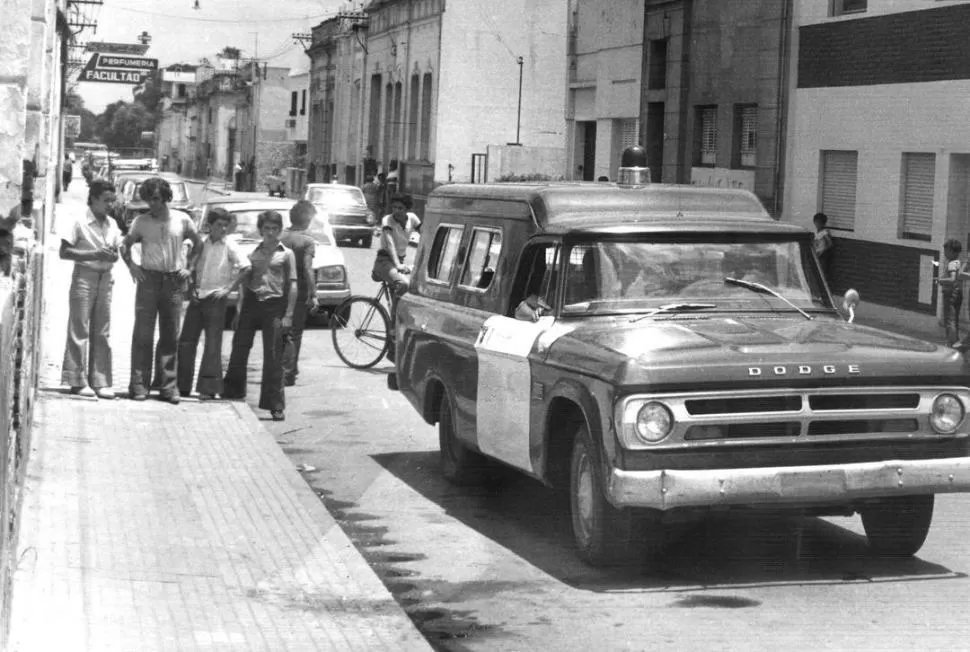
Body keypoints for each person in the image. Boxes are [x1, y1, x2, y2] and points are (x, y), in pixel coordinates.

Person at [120, 176, 202, 404]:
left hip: (174, 281)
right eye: (148, 200)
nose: (152, 204)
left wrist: (190, 268)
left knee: (170, 335)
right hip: (149, 280)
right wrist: (132, 266)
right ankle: (138, 385)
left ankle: (168, 386)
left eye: (156, 199)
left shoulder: (182, 220)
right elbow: (125, 244)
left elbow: (198, 243)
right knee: (143, 334)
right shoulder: (141, 222)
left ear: (166, 197)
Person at [223, 210, 297, 421]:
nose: (271, 233)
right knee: (239, 348)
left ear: (280, 230)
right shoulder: (253, 253)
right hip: (251, 304)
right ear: (261, 230)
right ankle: (233, 391)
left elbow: (292, 285)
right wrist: (238, 310)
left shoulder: (286, 254)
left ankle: (275, 405)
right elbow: (245, 284)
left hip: (274, 307)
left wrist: (289, 314)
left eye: (275, 229)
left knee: (274, 356)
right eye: (267, 229)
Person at [59, 179, 122, 399]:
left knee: (102, 331)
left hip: (106, 279)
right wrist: (95, 255)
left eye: (112, 201)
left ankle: (101, 381)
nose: (110, 205)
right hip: (84, 277)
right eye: (106, 201)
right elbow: (65, 252)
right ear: (93, 199)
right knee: (80, 328)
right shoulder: (79, 221)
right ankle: (76, 380)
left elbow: (115, 251)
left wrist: (112, 256)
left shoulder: (112, 224)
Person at [176, 207, 245, 400]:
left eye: (225, 225)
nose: (222, 229)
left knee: (213, 344)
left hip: (216, 298)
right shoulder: (200, 244)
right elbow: (190, 267)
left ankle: (208, 387)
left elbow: (245, 267)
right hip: (198, 298)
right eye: (219, 225)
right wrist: (191, 290)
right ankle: (182, 386)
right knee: (187, 341)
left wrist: (228, 289)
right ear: (209, 226)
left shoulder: (230, 245)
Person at [280, 200, 318, 387]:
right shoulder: (307, 241)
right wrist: (314, 294)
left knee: (280, 330)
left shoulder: (280, 236)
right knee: (295, 333)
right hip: (299, 289)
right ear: (308, 219)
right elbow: (308, 268)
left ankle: (279, 368)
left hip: (278, 288)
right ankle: (289, 371)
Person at [939, 238, 964, 347]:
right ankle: (955, 341)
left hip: (950, 294)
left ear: (951, 251)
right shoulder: (958, 262)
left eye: (946, 251)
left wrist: (939, 280)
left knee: (949, 320)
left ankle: (951, 343)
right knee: (954, 319)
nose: (945, 253)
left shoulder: (952, 264)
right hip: (957, 294)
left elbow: (952, 279)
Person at [813, 212, 834, 281]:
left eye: (819, 223)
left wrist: (823, 250)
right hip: (817, 254)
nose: (817, 224)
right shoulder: (817, 232)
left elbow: (830, 244)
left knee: (822, 273)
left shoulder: (824, 232)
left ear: (823, 223)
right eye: (816, 222)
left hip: (822, 256)